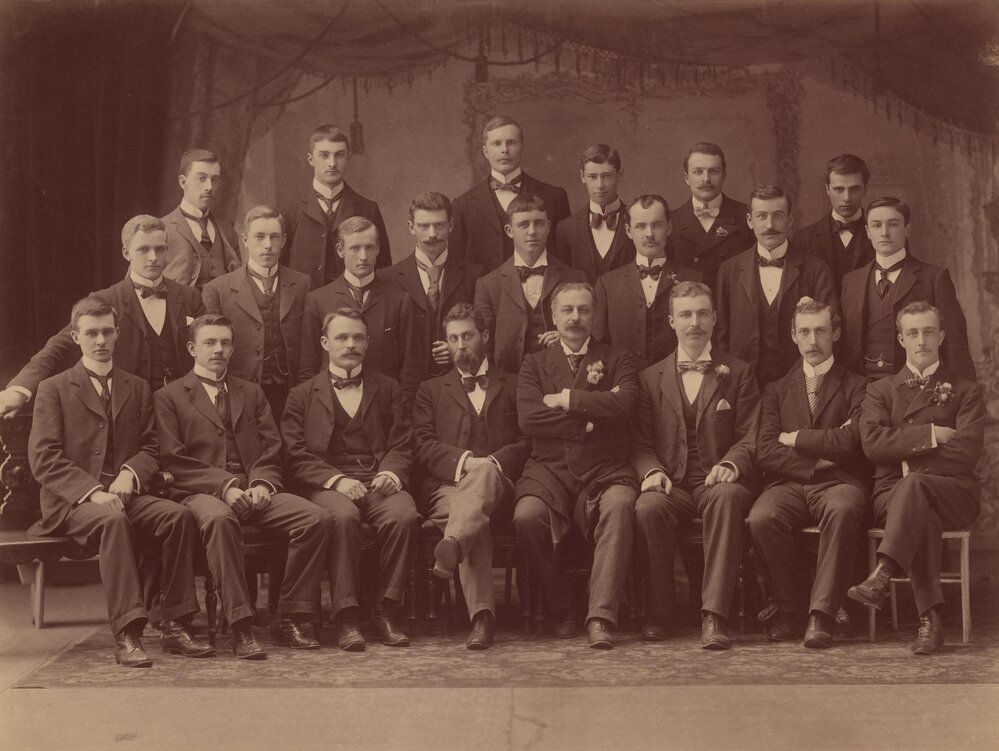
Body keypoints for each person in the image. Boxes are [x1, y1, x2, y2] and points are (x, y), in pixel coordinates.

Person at [28, 295, 212, 667]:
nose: (100, 341)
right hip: (73, 503)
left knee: (177, 516)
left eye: (107, 332)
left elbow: (150, 446)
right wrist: (92, 492)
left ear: (117, 335)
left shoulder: (138, 387)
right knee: (113, 521)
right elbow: (44, 457)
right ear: (76, 337)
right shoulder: (54, 389)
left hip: (126, 493)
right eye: (91, 333)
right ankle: (127, 633)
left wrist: (130, 475)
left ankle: (176, 624)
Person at [155, 314, 332, 659]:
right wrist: (226, 486)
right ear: (192, 348)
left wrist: (263, 482)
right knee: (221, 520)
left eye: (224, 342)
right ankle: (241, 626)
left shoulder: (250, 392)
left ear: (234, 347)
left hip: (255, 488)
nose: (218, 349)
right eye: (209, 342)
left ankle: (289, 617)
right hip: (202, 493)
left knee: (316, 519)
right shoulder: (170, 396)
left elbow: (271, 446)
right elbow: (173, 461)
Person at [849, 301, 985, 654]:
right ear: (901, 339)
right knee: (917, 503)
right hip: (891, 495)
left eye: (928, 332)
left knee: (915, 488)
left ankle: (884, 571)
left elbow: (967, 452)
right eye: (913, 333)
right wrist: (931, 435)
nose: (921, 340)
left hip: (954, 493)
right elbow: (873, 445)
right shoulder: (881, 390)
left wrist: (906, 454)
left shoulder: (965, 389)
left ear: (940, 336)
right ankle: (931, 621)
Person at [632, 281, 759, 649]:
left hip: (716, 480)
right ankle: (661, 611)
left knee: (728, 497)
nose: (694, 323)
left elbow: (751, 434)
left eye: (702, 313)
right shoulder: (649, 378)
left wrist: (733, 464)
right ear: (671, 321)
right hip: (672, 482)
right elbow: (638, 442)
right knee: (648, 506)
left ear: (715, 319)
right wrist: (652, 471)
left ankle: (714, 615)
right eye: (685, 315)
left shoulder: (738, 372)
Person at [282, 307, 418, 651]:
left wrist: (390, 472)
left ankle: (385, 609)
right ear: (325, 342)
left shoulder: (388, 387)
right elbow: (295, 453)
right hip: (328, 484)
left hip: (377, 478)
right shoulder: (302, 394)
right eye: (342, 337)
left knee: (404, 516)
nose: (350, 344)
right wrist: (337, 481)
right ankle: (346, 616)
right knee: (342, 517)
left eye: (358, 337)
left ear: (368, 342)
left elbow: (403, 440)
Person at [514, 282, 638, 649]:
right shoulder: (534, 364)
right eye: (567, 310)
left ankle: (600, 616)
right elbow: (529, 419)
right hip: (548, 470)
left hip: (605, 468)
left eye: (583, 310)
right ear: (553, 316)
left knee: (619, 506)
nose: (575, 318)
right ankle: (560, 605)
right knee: (525, 517)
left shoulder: (619, 359)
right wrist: (589, 417)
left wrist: (567, 398)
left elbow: (626, 406)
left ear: (594, 314)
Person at [748, 298, 871, 648]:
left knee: (844, 508)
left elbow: (855, 440)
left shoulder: (858, 386)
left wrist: (799, 440)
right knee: (762, 517)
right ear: (793, 336)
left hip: (839, 483)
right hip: (789, 483)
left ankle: (822, 614)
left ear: (836, 332)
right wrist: (819, 459)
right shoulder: (775, 389)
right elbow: (766, 449)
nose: (813, 340)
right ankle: (790, 610)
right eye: (804, 332)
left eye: (820, 331)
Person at [0, 215, 204, 418]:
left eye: (160, 248)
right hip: (130, 414)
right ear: (126, 253)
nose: (153, 257)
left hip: (184, 412)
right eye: (143, 249)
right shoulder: (105, 300)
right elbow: (59, 346)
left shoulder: (189, 297)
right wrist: (20, 389)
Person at [412, 303, 530, 649]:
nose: (460, 345)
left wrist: (491, 463)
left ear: (485, 337)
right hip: (448, 487)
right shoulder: (430, 390)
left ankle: (452, 549)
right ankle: (482, 617)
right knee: (467, 514)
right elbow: (422, 444)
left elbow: (527, 440)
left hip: (501, 485)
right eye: (452, 338)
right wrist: (466, 462)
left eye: (467, 336)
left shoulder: (514, 383)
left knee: (482, 486)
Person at [840, 197, 975, 381]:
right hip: (862, 393)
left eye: (893, 224)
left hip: (914, 391)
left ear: (907, 229)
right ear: (868, 231)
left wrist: (964, 400)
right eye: (876, 225)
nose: (885, 233)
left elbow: (956, 347)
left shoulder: (933, 278)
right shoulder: (851, 281)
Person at [716, 185, 837, 387]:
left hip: (800, 385)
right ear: (749, 221)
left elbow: (829, 334)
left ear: (790, 220)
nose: (769, 225)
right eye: (761, 216)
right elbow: (721, 335)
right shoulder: (729, 270)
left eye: (778, 216)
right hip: (743, 386)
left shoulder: (816, 270)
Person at [202, 206, 312, 420]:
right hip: (240, 396)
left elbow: (309, 348)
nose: (268, 245)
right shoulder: (218, 289)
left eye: (274, 237)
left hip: (290, 395)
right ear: (245, 240)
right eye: (259, 237)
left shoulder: (302, 284)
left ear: (284, 240)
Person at [298, 216, 421, 404]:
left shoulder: (399, 300)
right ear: (340, 250)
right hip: (331, 407)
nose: (363, 256)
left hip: (384, 408)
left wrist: (398, 412)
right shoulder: (317, 300)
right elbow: (308, 368)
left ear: (378, 249)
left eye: (369, 247)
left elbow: (410, 370)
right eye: (355, 248)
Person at [474, 194, 586, 374]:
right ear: (509, 231)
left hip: (563, 379)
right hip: (509, 383)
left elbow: (591, 333)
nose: (532, 231)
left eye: (539, 223)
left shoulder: (575, 278)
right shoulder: (488, 285)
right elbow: (484, 344)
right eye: (523, 225)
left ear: (549, 226)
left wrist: (568, 339)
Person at [378, 192, 481, 381]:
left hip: (459, 380)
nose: (432, 234)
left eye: (439, 225)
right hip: (408, 384)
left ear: (451, 225)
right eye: (424, 226)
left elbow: (482, 333)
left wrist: (456, 349)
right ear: (411, 227)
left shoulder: (474, 275)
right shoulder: (388, 278)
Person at [593, 195, 702, 369]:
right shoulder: (607, 284)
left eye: (657, 225)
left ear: (669, 228)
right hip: (625, 385)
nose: (649, 234)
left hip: (676, 384)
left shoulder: (693, 279)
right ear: (628, 231)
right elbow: (599, 346)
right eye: (640, 226)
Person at [451, 115, 571, 272]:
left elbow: (565, 257)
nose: (504, 150)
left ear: (522, 147)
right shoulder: (463, 205)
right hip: (485, 294)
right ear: (485, 151)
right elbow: (457, 265)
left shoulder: (554, 197)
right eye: (496, 144)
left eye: (511, 142)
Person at [281, 124, 391, 289]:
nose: (332, 163)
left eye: (339, 155)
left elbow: (383, 270)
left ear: (348, 157)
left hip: (353, 308)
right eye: (324, 155)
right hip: (304, 308)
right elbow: (281, 269)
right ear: (311, 159)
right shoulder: (290, 211)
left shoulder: (368, 209)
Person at [666, 143, 753, 292]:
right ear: (687, 178)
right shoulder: (671, 221)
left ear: (724, 176)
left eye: (713, 171)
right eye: (698, 172)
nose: (706, 179)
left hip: (732, 307)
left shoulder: (746, 216)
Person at [792, 154, 875, 293]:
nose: (847, 198)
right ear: (827, 190)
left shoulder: (884, 235)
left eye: (854, 189)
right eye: (839, 189)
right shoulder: (803, 239)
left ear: (865, 190)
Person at [552, 144, 635, 282]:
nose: (600, 185)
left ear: (620, 174)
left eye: (607, 176)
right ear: (582, 176)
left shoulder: (637, 221)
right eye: (592, 177)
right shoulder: (566, 228)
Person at [160, 149, 240, 288]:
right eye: (201, 178)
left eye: (214, 179)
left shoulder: (228, 232)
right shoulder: (160, 229)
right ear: (183, 182)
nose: (209, 187)